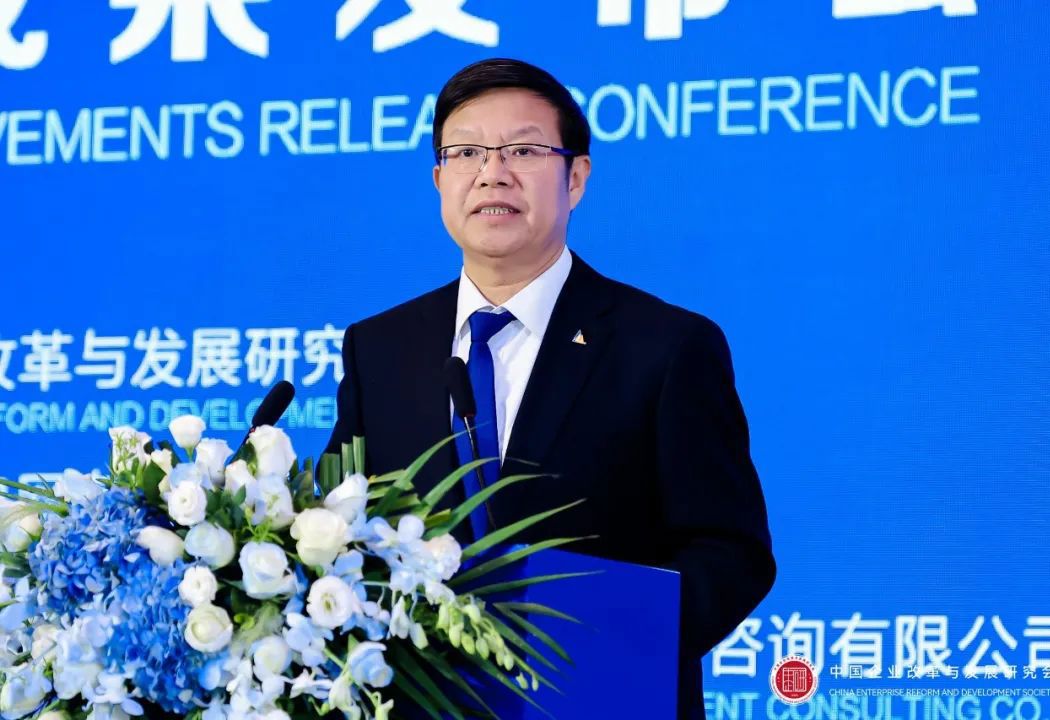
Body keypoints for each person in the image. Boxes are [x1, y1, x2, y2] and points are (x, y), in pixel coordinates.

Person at [325, 57, 776, 719]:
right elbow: (341, 528)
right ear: (439, 179)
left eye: (523, 150)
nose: (492, 173)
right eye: (466, 152)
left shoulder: (666, 345)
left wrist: (606, 644)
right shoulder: (380, 348)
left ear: (576, 177)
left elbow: (730, 552)